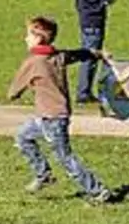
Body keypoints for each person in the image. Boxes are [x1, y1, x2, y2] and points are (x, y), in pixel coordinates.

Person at [7, 16, 119, 205]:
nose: (25, 38)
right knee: (23, 136)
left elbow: (12, 93)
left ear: (39, 38)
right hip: (49, 117)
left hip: (52, 118)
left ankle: (98, 191)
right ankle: (44, 175)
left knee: (65, 157)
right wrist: (98, 53)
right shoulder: (58, 56)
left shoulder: (33, 62)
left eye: (29, 35)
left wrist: (22, 89)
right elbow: (80, 54)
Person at [72, 0, 116, 104]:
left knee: (87, 54)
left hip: (84, 20)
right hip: (94, 21)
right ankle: (83, 93)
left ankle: (84, 91)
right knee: (90, 57)